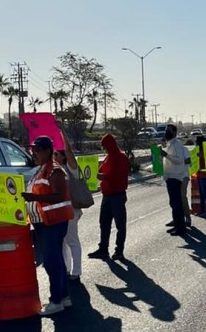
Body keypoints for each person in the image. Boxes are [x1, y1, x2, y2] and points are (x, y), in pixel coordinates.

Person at [22, 136, 74, 316]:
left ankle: (56, 300)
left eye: (36, 150)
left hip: (53, 221)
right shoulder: (41, 170)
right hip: (43, 222)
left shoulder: (55, 170)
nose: (33, 153)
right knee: (55, 260)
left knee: (52, 262)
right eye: (32, 150)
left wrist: (34, 198)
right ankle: (64, 296)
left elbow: (59, 195)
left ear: (47, 151)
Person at [89, 133, 129, 261]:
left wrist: (104, 177)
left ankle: (119, 251)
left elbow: (119, 176)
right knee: (104, 223)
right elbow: (101, 170)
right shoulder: (108, 157)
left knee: (120, 225)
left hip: (117, 195)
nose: (104, 149)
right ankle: (103, 249)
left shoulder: (121, 157)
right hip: (107, 195)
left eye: (104, 146)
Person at [55, 130, 83, 281]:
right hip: (60, 210)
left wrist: (62, 133)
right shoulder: (55, 170)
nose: (54, 157)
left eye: (56, 154)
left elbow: (69, 152)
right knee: (64, 241)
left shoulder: (71, 168)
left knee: (72, 240)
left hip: (71, 209)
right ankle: (67, 269)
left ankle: (76, 272)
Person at [161, 124, 191, 236]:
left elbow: (179, 160)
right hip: (169, 176)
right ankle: (177, 225)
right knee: (173, 204)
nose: (165, 132)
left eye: (168, 130)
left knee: (177, 203)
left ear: (174, 132)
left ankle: (181, 228)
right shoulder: (169, 144)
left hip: (176, 177)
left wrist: (166, 155)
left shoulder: (177, 144)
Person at [195, 136, 206, 216]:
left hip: (204, 174)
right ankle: (202, 210)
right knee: (201, 194)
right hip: (198, 173)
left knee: (205, 194)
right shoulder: (197, 150)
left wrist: (201, 156)